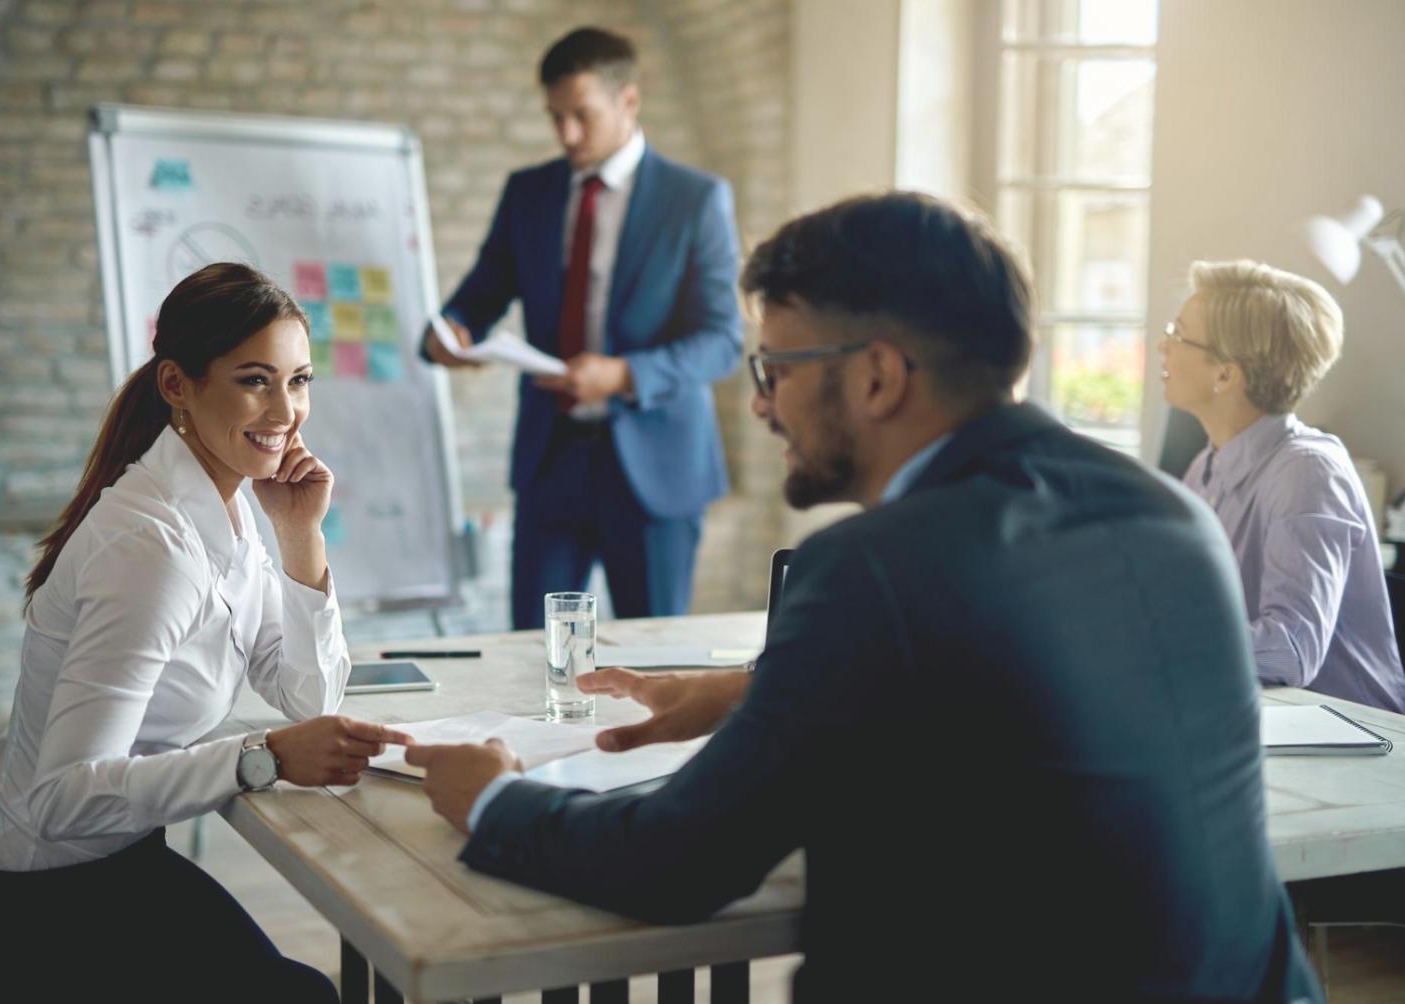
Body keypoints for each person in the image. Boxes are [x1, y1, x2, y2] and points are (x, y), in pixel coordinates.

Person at [402, 194, 1320, 1001]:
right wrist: (750, 693)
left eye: (776, 370)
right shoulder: (1167, 512)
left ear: (877, 375)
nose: (761, 406)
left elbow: (676, 860)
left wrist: (492, 799)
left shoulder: (871, 567)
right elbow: (1007, 690)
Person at [0, 264, 409, 1000]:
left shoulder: (231, 504)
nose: (286, 409)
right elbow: (63, 798)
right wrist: (265, 756)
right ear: (177, 385)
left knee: (301, 989)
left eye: (300, 379)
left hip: (113, 858)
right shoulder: (150, 548)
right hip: (30, 901)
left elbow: (309, 698)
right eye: (255, 380)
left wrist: (301, 538)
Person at [422, 26, 742, 629]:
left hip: (657, 471)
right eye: (554, 117)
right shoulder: (528, 193)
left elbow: (723, 340)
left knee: (652, 663)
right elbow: (474, 300)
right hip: (552, 463)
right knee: (531, 658)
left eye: (581, 115)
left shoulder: (695, 199)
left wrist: (623, 374)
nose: (566, 134)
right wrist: (451, 336)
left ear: (629, 100)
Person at [1160, 260, 1405, 712]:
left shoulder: (1307, 472)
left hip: (1356, 743)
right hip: (1266, 720)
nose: (1163, 346)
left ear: (1225, 375)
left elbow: (1292, 651)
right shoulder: (1205, 468)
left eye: (1178, 334)